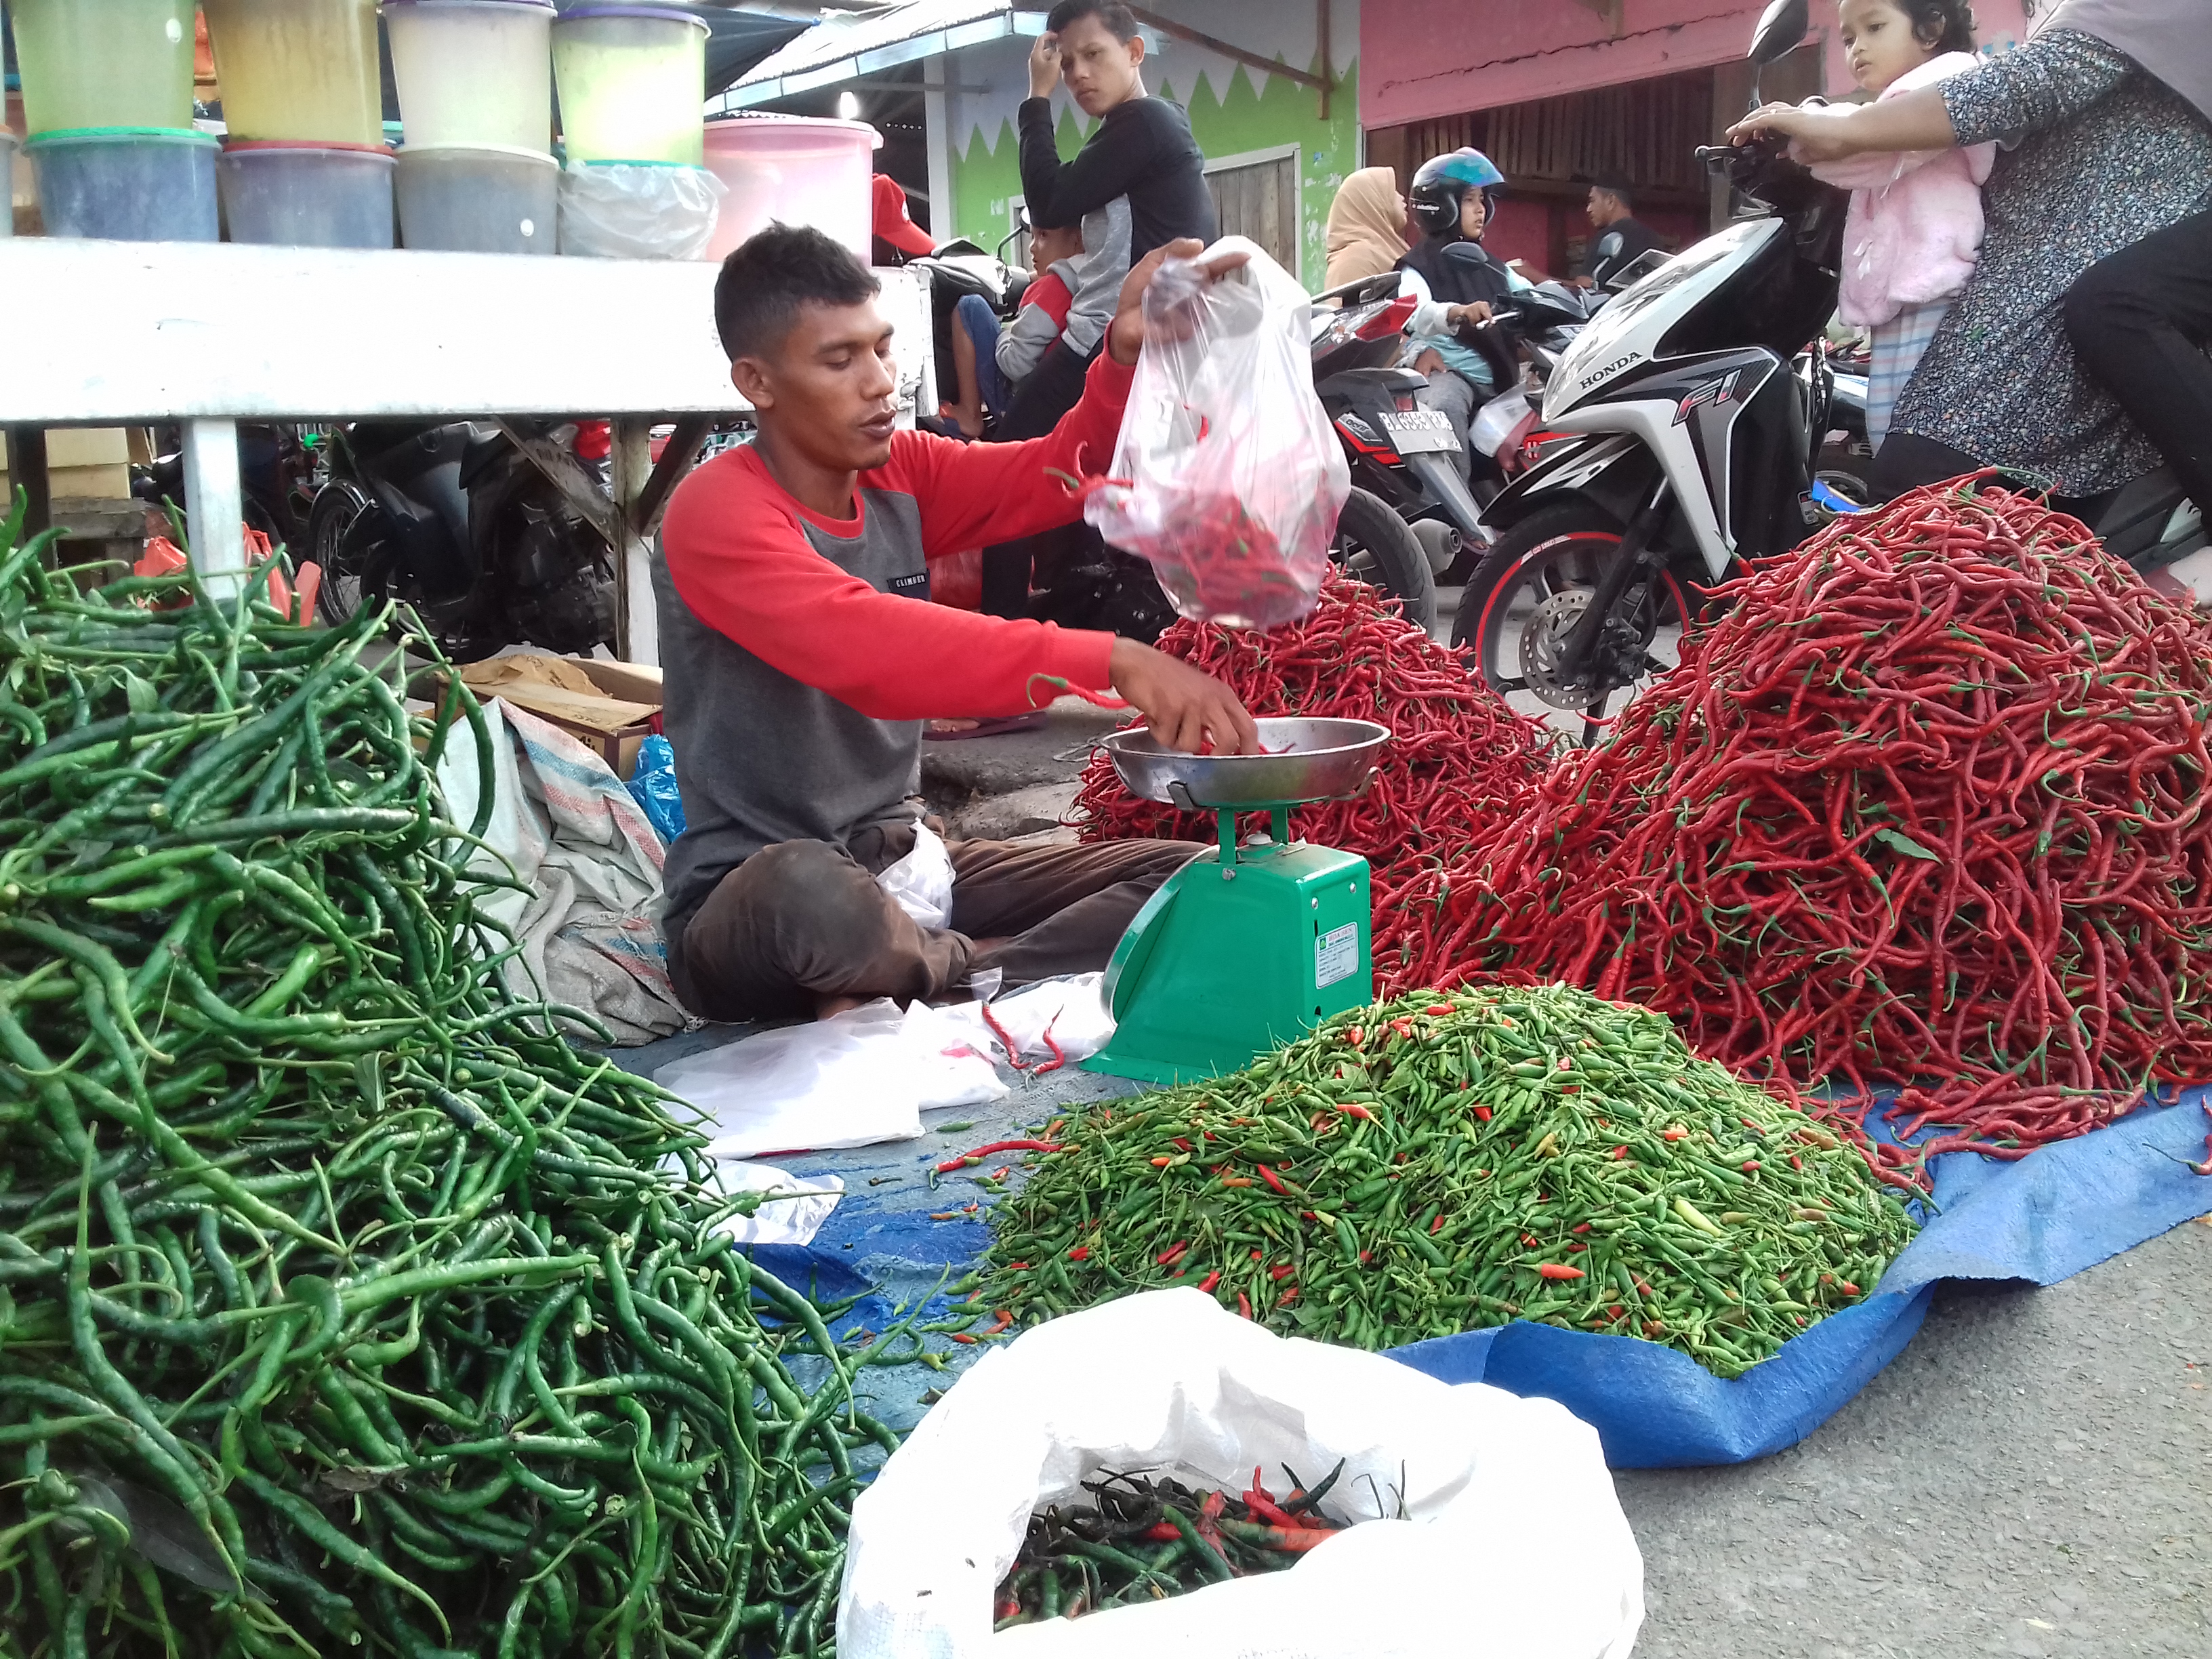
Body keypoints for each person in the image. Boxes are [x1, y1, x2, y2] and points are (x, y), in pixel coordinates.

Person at [655, 226, 1256, 1023]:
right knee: (804, 892)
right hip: (755, 900)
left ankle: (949, 972)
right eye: (840, 361)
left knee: (1215, 877)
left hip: (908, 863)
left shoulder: (901, 470)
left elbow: (1052, 474)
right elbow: (870, 646)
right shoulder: (714, 511)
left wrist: (1122, 357)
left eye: (881, 349)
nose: (879, 383)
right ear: (756, 381)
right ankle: (959, 968)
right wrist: (1114, 660)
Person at [1731, 0, 2212, 503]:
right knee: (1914, 491)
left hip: (2046, 293)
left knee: (2114, 307)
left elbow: (2025, 86)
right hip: (2017, 288)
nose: (1860, 46)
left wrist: (1839, 130)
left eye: (1874, 27)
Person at [1801, 0, 1990, 452]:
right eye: (1849, 38)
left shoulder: (1949, 79)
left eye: (1875, 27)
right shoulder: (1897, 104)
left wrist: (1797, 130)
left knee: (1917, 439)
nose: (1858, 48)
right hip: (1906, 293)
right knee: (1889, 432)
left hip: (1935, 290)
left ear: (1931, 28)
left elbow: (1867, 154)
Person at [1395, 148, 1522, 464]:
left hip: (1502, 379)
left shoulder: (1491, 265)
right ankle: (1445, 509)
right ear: (1442, 205)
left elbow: (1531, 294)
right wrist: (1456, 311)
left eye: (1483, 200)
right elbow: (1413, 310)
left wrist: (1574, 301)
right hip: (1452, 373)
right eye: (1469, 200)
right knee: (1444, 408)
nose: (1481, 210)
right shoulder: (1418, 265)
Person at [1324, 166, 1410, 289]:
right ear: (1373, 199)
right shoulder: (1356, 261)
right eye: (1392, 191)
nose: (1401, 197)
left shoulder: (1383, 248)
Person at [1582, 173, 1664, 290]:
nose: (1588, 209)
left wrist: (1548, 281)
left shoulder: (1608, 237)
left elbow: (1585, 285)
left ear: (1611, 201)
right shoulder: (1652, 237)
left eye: (1592, 201)